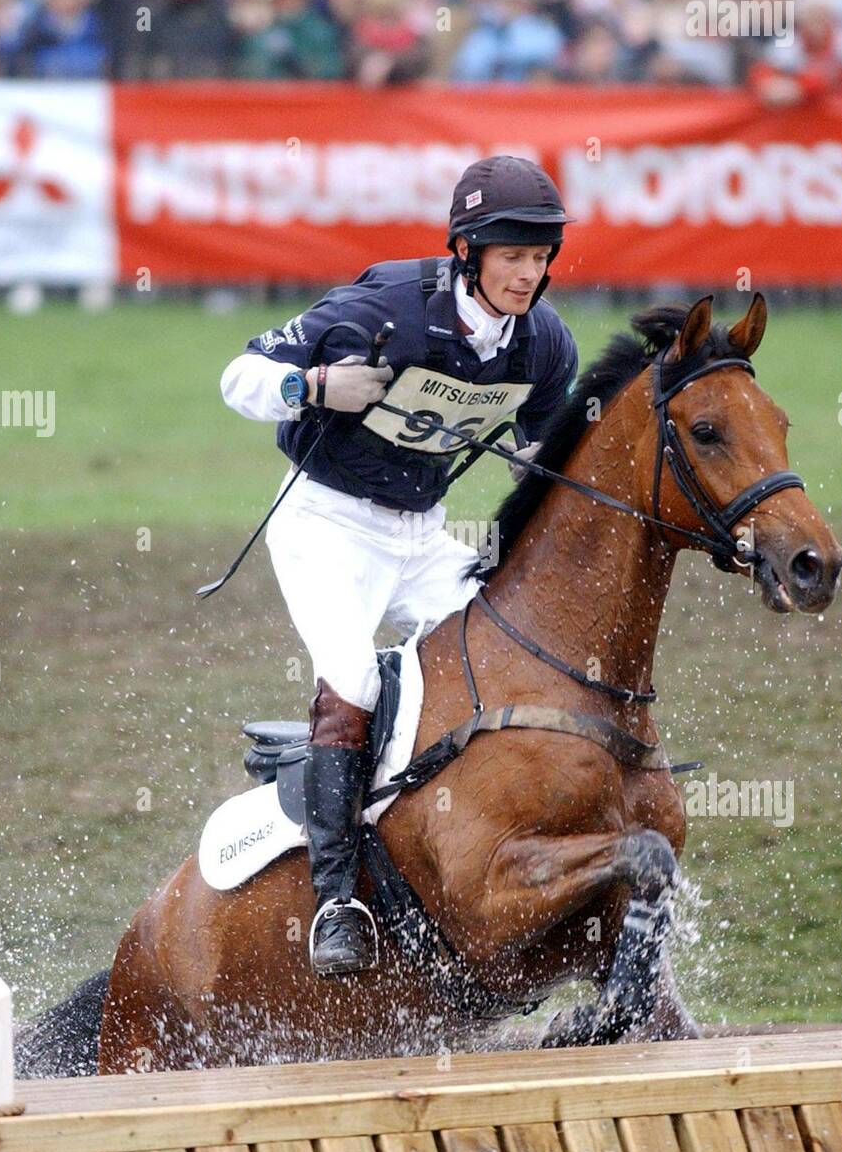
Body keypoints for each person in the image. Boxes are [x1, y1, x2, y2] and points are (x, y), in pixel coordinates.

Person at [220, 157, 578, 975]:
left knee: (513, 647)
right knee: (353, 675)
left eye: (539, 257)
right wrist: (310, 385)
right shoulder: (383, 308)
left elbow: (543, 451)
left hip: (421, 535)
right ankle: (337, 901)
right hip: (325, 523)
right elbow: (237, 376)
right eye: (512, 256)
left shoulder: (544, 343)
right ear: (467, 251)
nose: (529, 274)